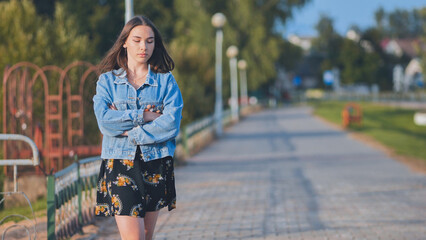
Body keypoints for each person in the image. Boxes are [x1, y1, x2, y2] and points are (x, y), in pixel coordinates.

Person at [93, 15, 183, 240]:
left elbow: (171, 123)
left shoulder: (166, 82)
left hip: (156, 163)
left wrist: (128, 130)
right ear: (124, 42)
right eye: (137, 40)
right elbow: (104, 121)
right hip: (120, 163)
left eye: (150, 41)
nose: (144, 46)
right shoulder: (107, 82)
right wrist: (146, 115)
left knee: (145, 236)